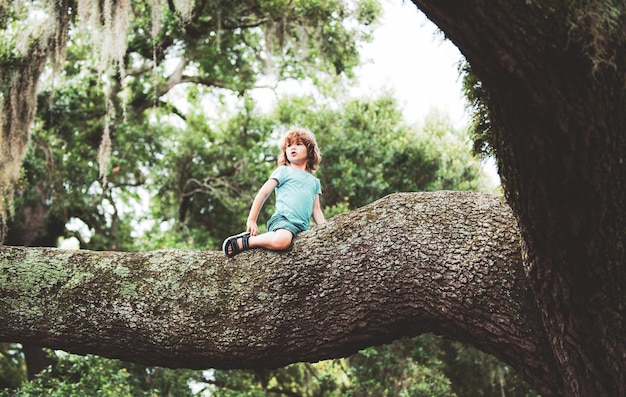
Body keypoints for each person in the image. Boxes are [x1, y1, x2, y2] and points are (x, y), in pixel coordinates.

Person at [222, 126, 326, 257]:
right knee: (282, 241)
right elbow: (263, 193)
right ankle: (247, 241)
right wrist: (252, 220)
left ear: (310, 151)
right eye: (289, 146)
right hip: (284, 220)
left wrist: (325, 229)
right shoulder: (284, 171)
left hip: (303, 227)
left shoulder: (314, 181)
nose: (293, 148)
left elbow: (316, 209)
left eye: (298, 144)